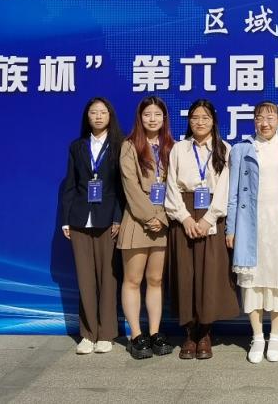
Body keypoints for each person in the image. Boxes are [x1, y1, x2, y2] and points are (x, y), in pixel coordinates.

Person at [227, 101, 278, 364]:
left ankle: (275, 336)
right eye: (260, 118)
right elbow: (233, 193)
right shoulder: (241, 149)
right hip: (251, 224)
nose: (265, 123)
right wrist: (231, 228)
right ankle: (258, 336)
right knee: (254, 282)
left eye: (270, 118)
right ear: (254, 121)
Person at [165, 99, 239, 359]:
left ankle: (205, 332)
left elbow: (226, 188)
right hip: (184, 214)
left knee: (210, 274)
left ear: (214, 121)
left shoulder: (224, 148)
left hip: (212, 215)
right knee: (185, 273)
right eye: (195, 117)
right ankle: (189, 333)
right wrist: (184, 217)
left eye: (205, 117)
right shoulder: (179, 148)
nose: (200, 122)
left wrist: (209, 219)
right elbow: (171, 185)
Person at [58, 97, 124, 355]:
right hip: (79, 219)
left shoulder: (120, 145)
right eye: (93, 112)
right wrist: (66, 219)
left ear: (110, 116)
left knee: (108, 278)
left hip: (108, 220)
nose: (98, 116)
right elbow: (70, 185)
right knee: (85, 279)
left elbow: (122, 187)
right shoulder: (77, 146)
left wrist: (118, 217)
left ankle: (106, 333)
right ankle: (87, 334)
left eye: (102, 112)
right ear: (87, 117)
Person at [117, 96, 174, 360]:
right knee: (132, 280)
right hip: (137, 222)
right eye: (147, 114)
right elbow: (130, 186)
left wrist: (162, 217)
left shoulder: (172, 147)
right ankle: (136, 334)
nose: (152, 119)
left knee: (155, 280)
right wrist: (150, 216)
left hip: (163, 222)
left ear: (164, 118)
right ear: (140, 118)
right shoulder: (129, 146)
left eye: (157, 114)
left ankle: (154, 332)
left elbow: (175, 187)